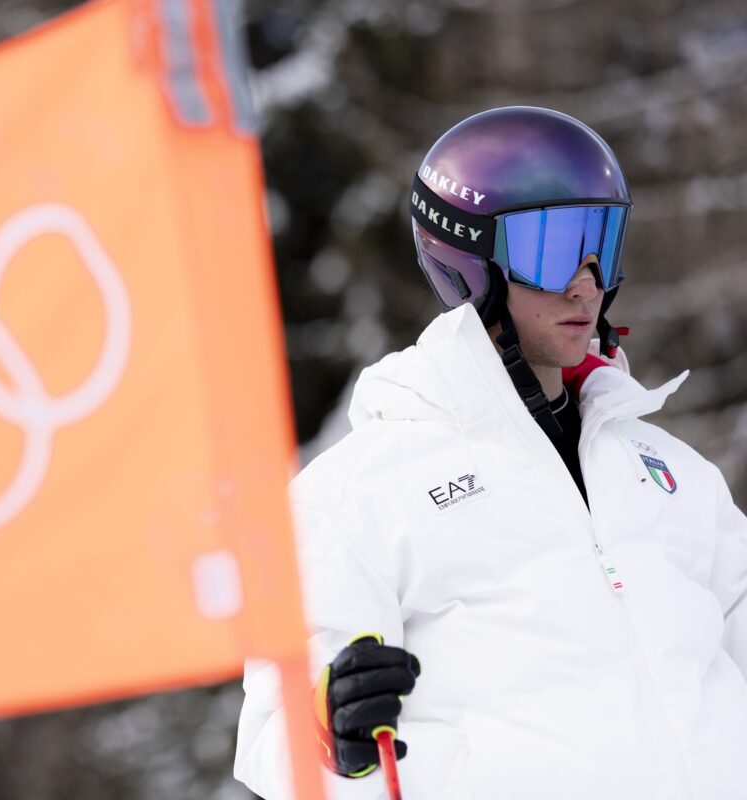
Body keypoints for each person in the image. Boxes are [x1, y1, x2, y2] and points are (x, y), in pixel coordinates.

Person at [234, 106, 747, 800]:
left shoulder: (673, 472)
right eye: (556, 249)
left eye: (601, 243)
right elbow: (275, 737)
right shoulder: (356, 494)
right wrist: (332, 733)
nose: (586, 283)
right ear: (470, 262)